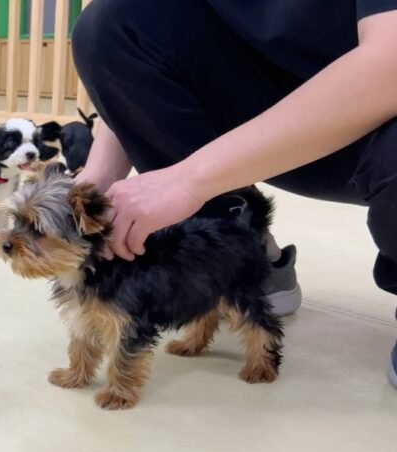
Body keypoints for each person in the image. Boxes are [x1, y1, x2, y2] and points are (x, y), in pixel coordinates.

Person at [71, 1, 397, 387]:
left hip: (381, 118)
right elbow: (137, 39)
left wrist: (188, 180)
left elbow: (388, 64)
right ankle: (238, 245)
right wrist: (98, 176)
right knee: (110, 24)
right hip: (268, 119)